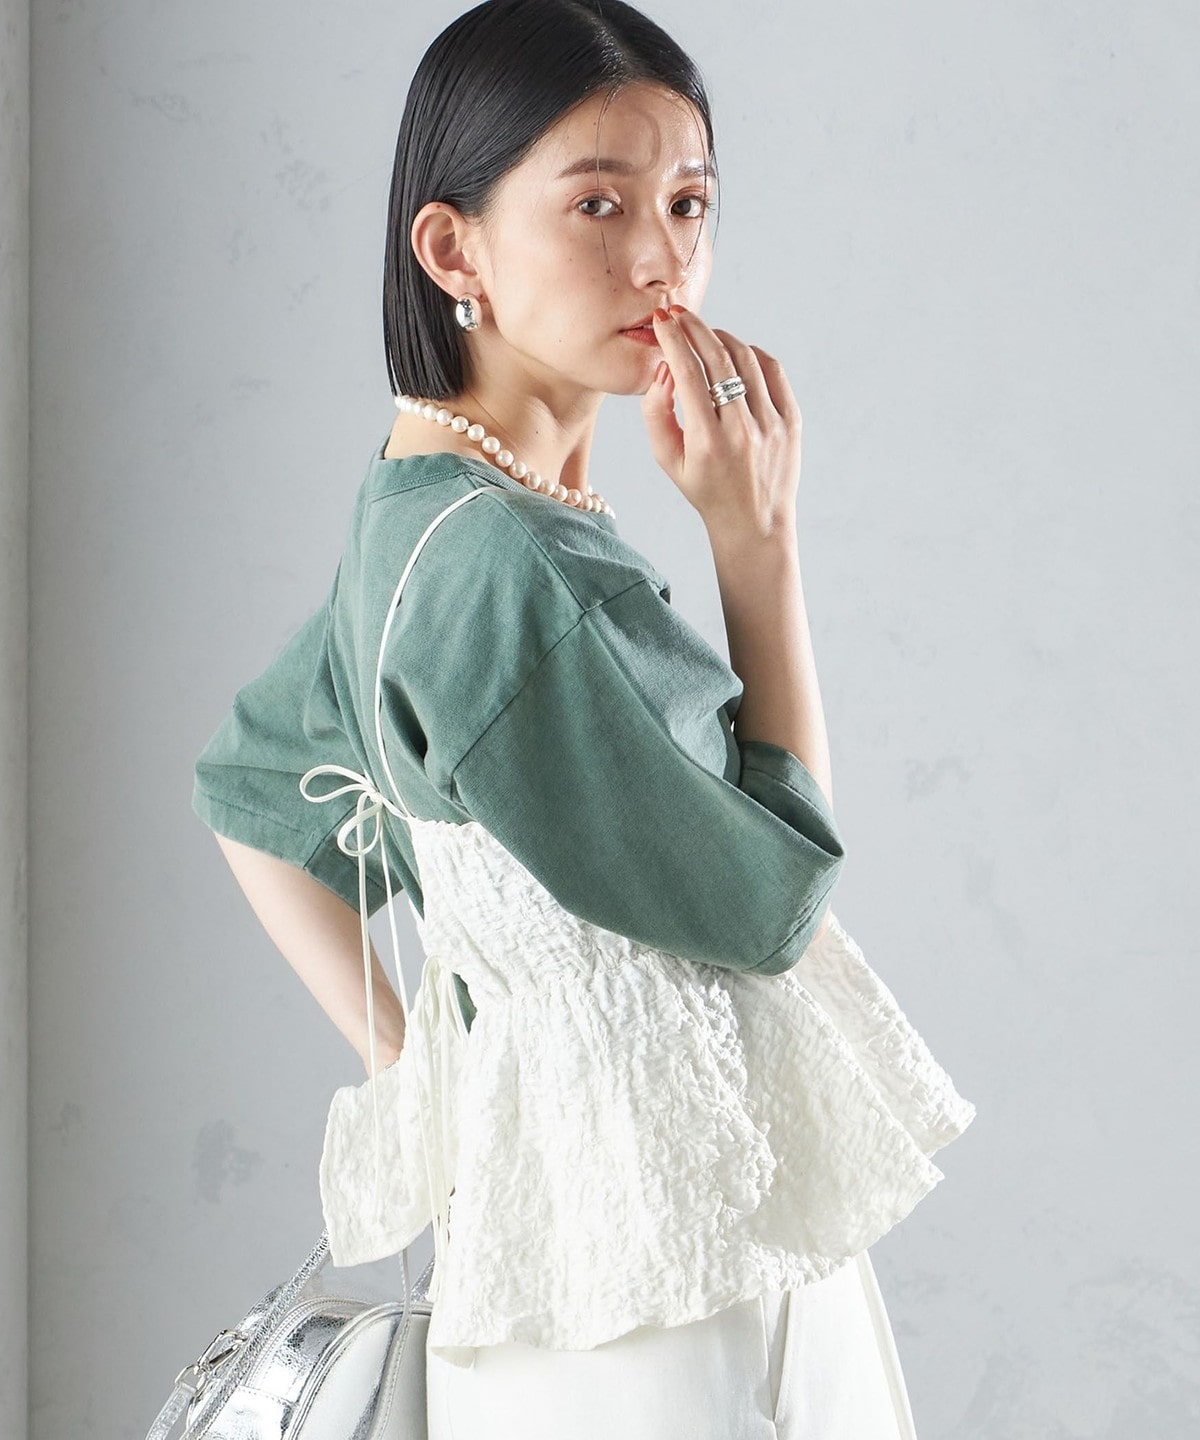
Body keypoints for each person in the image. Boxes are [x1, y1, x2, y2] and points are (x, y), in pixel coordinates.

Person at [190, 2, 976, 1435]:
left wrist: (429, 1074)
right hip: (672, 1281)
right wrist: (757, 544)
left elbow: (250, 791)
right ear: (453, 251)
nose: (661, 258)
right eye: (598, 205)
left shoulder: (419, 516)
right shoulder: (508, 566)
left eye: (689, 203)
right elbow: (773, 907)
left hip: (559, 1257)